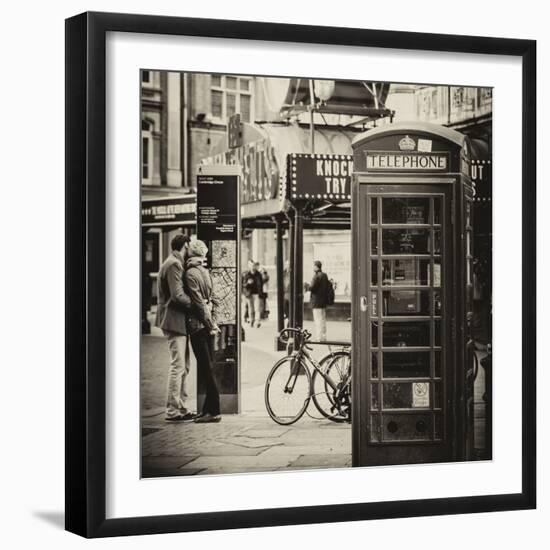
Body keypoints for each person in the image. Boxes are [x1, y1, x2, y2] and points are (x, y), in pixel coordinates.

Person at [155, 234, 199, 422]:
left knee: (185, 366)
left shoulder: (174, 261)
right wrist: (198, 304)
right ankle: (172, 410)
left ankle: (181, 406)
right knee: (178, 366)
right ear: (185, 245)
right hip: (173, 321)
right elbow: (177, 295)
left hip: (178, 322)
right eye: (190, 246)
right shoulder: (173, 264)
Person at [184, 239, 222, 423]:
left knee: (206, 369)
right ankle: (207, 409)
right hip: (208, 327)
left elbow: (198, 303)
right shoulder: (206, 272)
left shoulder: (190, 273)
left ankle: (214, 411)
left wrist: (208, 323)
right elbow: (214, 300)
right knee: (208, 367)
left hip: (198, 327)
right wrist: (213, 323)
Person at [304, 260, 330, 342]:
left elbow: (312, 288)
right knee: (323, 319)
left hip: (316, 302)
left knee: (318, 320)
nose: (313, 267)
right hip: (323, 302)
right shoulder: (324, 275)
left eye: (314, 266)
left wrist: (306, 285)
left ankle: (319, 337)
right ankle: (324, 336)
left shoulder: (316, 276)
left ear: (316, 267)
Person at [242, 260, 263, 328]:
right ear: (249, 266)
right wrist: (248, 283)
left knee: (257, 308)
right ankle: (252, 320)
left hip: (257, 293)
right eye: (251, 265)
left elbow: (261, 283)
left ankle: (257, 322)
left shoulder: (258, 274)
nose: (252, 267)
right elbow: (243, 284)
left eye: (253, 265)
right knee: (251, 308)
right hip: (249, 294)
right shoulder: (246, 274)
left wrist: (261, 293)